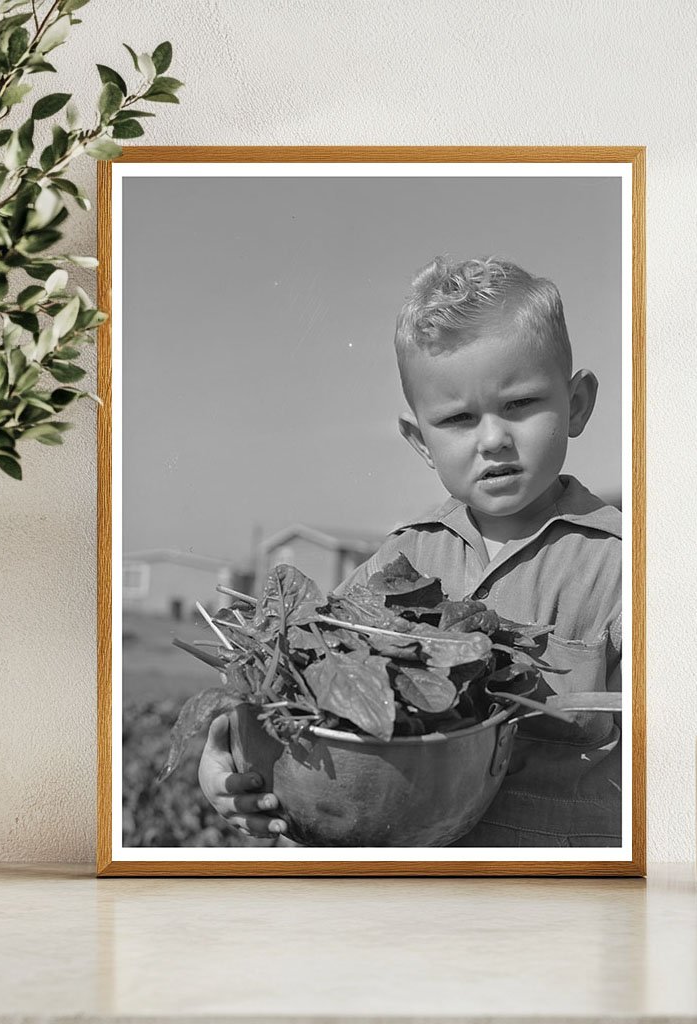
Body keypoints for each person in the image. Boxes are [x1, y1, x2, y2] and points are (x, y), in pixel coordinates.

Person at [197, 255, 623, 847]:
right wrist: (227, 755)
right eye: (458, 418)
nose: (494, 438)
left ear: (576, 405)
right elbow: (298, 687)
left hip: (564, 896)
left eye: (521, 404)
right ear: (420, 441)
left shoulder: (625, 566)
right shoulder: (400, 562)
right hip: (412, 885)